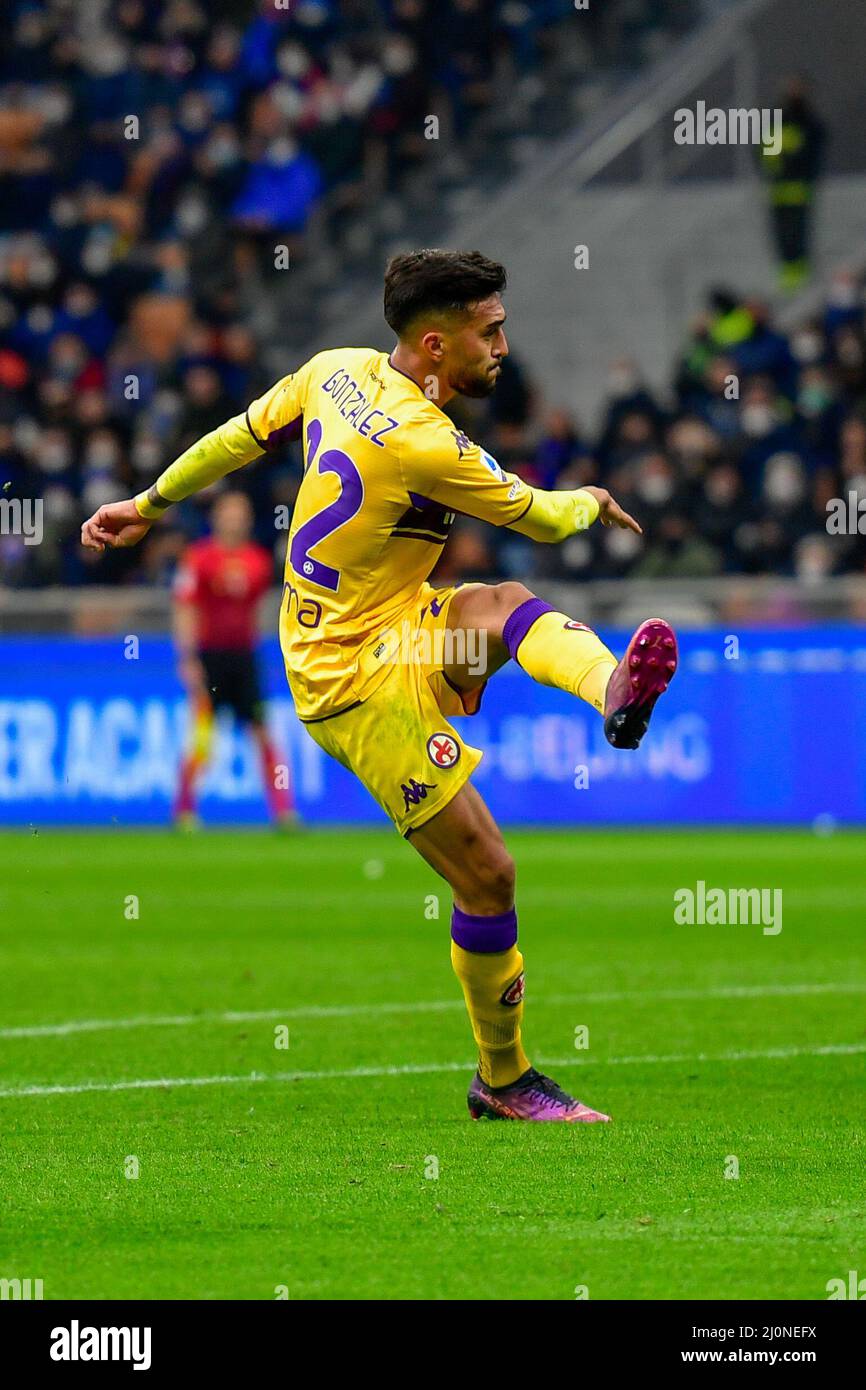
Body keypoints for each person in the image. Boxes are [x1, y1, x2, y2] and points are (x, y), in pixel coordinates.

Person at [81, 249, 678, 1124]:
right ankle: (505, 1080)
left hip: (392, 624)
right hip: (351, 678)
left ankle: (614, 689)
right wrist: (589, 497)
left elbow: (240, 435)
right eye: (490, 331)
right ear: (436, 345)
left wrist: (149, 502)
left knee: (502, 605)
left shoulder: (336, 370)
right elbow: (548, 520)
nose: (504, 345)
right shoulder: (428, 444)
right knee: (490, 877)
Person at [172, 490, 297, 830]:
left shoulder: (257, 561)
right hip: (209, 658)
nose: (234, 519)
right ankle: (183, 810)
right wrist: (187, 657)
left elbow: (257, 611)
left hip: (244, 658)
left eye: (240, 513)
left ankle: (284, 811)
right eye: (228, 512)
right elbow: (186, 608)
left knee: (262, 733)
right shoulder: (198, 558)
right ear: (216, 517)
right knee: (202, 737)